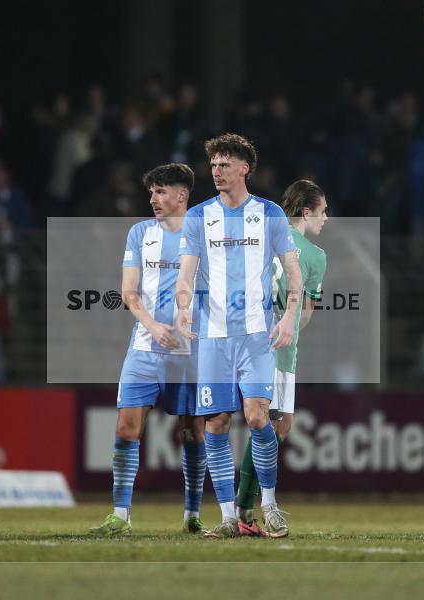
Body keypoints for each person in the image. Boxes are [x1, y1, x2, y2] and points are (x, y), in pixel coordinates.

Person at [176, 133, 302, 539]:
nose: (217, 171)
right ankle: (229, 518)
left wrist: (289, 318)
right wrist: (182, 309)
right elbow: (186, 274)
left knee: (257, 416)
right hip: (214, 337)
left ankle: (269, 505)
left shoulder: (269, 214)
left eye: (225, 164)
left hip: (256, 335)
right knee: (215, 423)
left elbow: (293, 273)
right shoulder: (198, 216)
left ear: (245, 168)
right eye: (213, 165)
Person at [90, 163, 207, 536]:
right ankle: (120, 515)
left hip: (192, 352)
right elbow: (129, 292)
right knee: (126, 428)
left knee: (192, 433)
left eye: (160, 191)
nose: (152, 199)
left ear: (181, 195)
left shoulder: (205, 233)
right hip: (144, 347)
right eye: (152, 191)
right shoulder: (140, 233)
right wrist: (153, 326)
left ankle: (192, 514)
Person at [234, 180, 328, 535]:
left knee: (256, 423)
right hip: (281, 350)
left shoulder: (261, 239)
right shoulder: (315, 256)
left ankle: (242, 509)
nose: (326, 218)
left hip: (243, 341)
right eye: (323, 210)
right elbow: (305, 312)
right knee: (276, 426)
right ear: (306, 212)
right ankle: (250, 506)